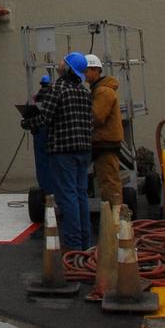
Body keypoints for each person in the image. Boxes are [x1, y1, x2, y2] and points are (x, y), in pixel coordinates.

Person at [22, 52, 93, 249]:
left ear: (68, 68)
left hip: (63, 151)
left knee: (67, 197)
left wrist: (27, 122)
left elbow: (45, 118)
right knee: (81, 195)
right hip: (84, 150)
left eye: (64, 61)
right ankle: (85, 244)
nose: (60, 63)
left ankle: (73, 247)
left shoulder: (57, 89)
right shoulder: (85, 92)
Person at [84, 54, 123, 206]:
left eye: (86, 71)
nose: (84, 75)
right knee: (108, 181)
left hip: (105, 143)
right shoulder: (101, 90)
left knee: (109, 183)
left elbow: (97, 116)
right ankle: (115, 217)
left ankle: (115, 219)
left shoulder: (103, 92)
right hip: (104, 143)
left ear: (96, 70)